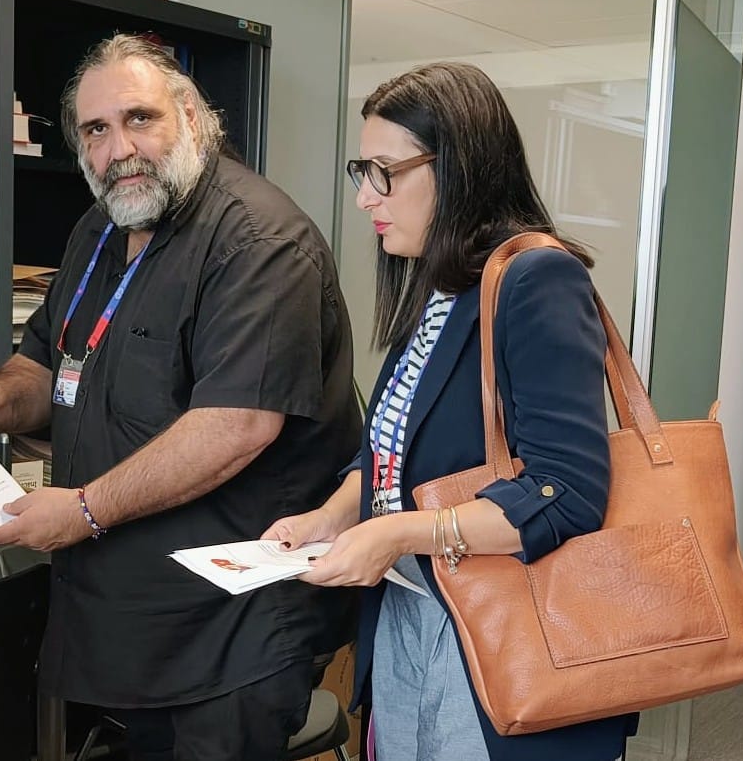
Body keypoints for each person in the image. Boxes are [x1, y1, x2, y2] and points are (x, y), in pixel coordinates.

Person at [0, 34, 362, 761]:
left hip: (232, 625)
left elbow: (235, 425)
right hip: (129, 615)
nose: (119, 149)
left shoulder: (257, 240)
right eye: (96, 130)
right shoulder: (101, 228)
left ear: (192, 118)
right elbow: (47, 363)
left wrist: (81, 511)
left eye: (140, 118)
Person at [263, 62, 636, 760]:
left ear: (457, 168)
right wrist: (333, 517)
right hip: (416, 609)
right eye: (361, 172)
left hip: (497, 627)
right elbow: (391, 449)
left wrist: (398, 533)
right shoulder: (441, 285)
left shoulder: (536, 278)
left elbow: (566, 493)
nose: (364, 198)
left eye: (384, 173)